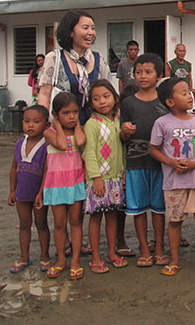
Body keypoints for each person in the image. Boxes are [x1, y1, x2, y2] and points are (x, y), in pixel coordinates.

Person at [150, 77, 195, 278]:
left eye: (189, 92)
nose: (189, 96)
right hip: (174, 182)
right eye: (184, 93)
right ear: (170, 102)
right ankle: (174, 260)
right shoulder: (161, 123)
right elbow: (153, 149)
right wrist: (171, 162)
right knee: (175, 221)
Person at [120, 53, 169, 268]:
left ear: (159, 75)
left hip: (161, 164)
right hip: (135, 164)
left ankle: (159, 248)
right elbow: (122, 138)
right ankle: (143, 248)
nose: (142, 76)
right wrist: (124, 131)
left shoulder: (165, 101)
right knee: (138, 208)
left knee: (159, 209)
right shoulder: (128, 102)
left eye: (148, 72)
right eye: (138, 72)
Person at [40, 92, 87, 280]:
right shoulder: (49, 132)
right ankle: (61, 259)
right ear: (55, 114)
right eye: (66, 113)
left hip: (75, 182)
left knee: (76, 222)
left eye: (75, 112)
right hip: (56, 185)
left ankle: (75, 260)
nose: (72, 116)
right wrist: (57, 126)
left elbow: (81, 142)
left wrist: (75, 126)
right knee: (59, 224)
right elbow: (61, 145)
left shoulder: (78, 130)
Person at [82, 80, 127, 273]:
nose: (102, 101)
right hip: (98, 180)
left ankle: (112, 252)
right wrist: (96, 178)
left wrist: (123, 171)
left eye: (106, 96)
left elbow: (122, 149)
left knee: (112, 217)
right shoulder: (91, 124)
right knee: (96, 218)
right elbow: (89, 152)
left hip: (115, 179)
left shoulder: (118, 122)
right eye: (96, 98)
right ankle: (95, 256)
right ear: (91, 103)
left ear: (115, 98)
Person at [38, 10, 111, 125]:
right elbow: (44, 94)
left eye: (93, 28)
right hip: (63, 129)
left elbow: (108, 93)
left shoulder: (99, 59)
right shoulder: (54, 58)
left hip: (94, 127)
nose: (90, 33)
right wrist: (42, 123)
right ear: (71, 32)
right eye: (85, 28)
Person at [8, 105, 51, 273]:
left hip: (38, 194)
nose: (30, 125)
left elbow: (47, 172)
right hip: (21, 194)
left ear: (46, 125)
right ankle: (24, 257)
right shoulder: (19, 144)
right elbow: (13, 168)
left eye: (36, 122)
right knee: (24, 225)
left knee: (41, 224)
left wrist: (41, 193)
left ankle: (45, 257)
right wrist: (12, 191)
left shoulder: (46, 146)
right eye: (27, 122)